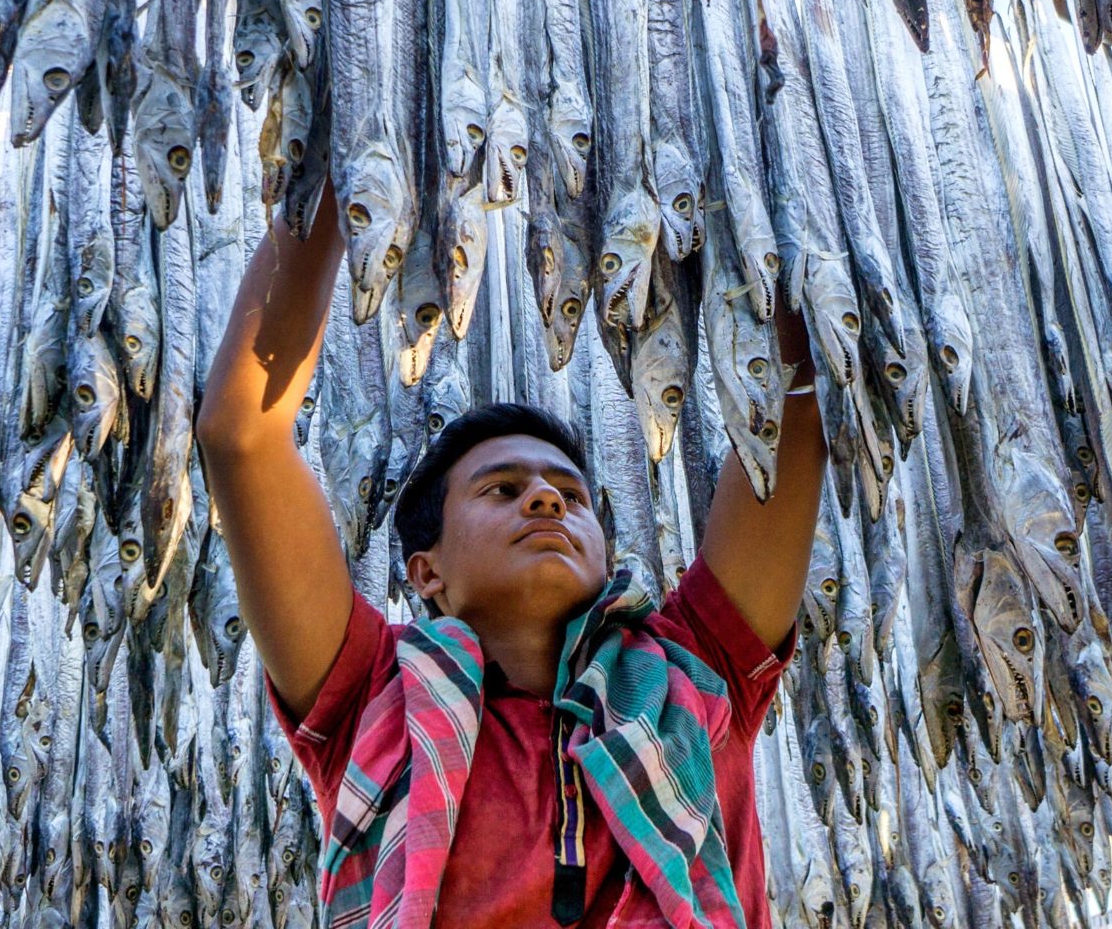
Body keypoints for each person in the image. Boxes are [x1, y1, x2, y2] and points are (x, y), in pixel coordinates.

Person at [196, 181, 826, 928]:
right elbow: (241, 439)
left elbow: (795, 413)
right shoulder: (369, 694)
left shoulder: (696, 670)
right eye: (501, 489)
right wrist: (342, 179)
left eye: (572, 494)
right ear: (425, 571)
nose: (547, 500)